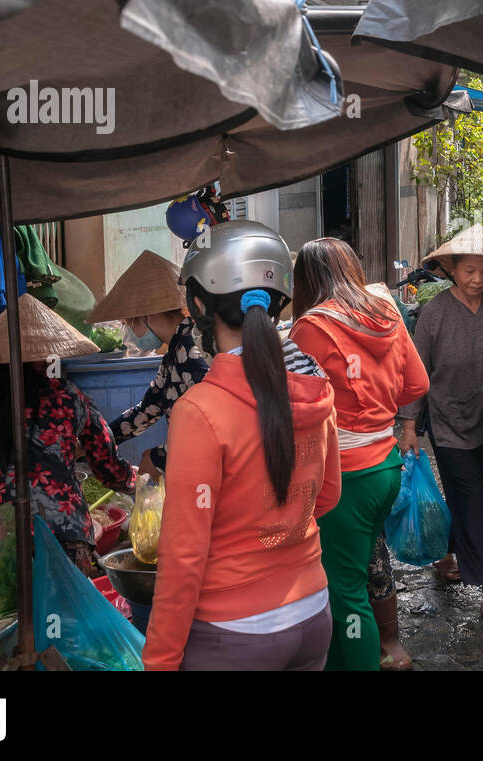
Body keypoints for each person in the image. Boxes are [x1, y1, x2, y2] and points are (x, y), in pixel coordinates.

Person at [144, 221, 341, 671]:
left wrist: (159, 662)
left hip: (234, 635)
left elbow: (183, 558)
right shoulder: (314, 384)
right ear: (278, 301)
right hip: (313, 613)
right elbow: (327, 496)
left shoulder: (200, 410)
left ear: (197, 305)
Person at [289, 238, 429, 672]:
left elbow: (293, 403)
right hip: (385, 466)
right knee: (354, 578)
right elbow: (416, 384)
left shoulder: (311, 327)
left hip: (343, 478)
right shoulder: (386, 313)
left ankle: (362, 660)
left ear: (305, 281)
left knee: (346, 592)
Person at [0, 294, 135, 575]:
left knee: (2, 612)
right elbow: (109, 468)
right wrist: (137, 480)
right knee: (62, 614)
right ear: (47, 351)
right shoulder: (71, 397)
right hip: (66, 534)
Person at [397, 225, 483, 620]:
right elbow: (417, 373)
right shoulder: (433, 313)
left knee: (462, 493)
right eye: (469, 271)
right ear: (452, 269)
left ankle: (447, 552)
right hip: (448, 422)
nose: (477, 279)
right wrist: (408, 426)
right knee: (472, 497)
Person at [87, 250, 208, 475]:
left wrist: (159, 458)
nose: (128, 330)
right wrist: (96, 442)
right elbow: (147, 410)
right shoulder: (174, 350)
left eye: (128, 322)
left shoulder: (193, 348)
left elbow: (210, 425)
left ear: (147, 315)